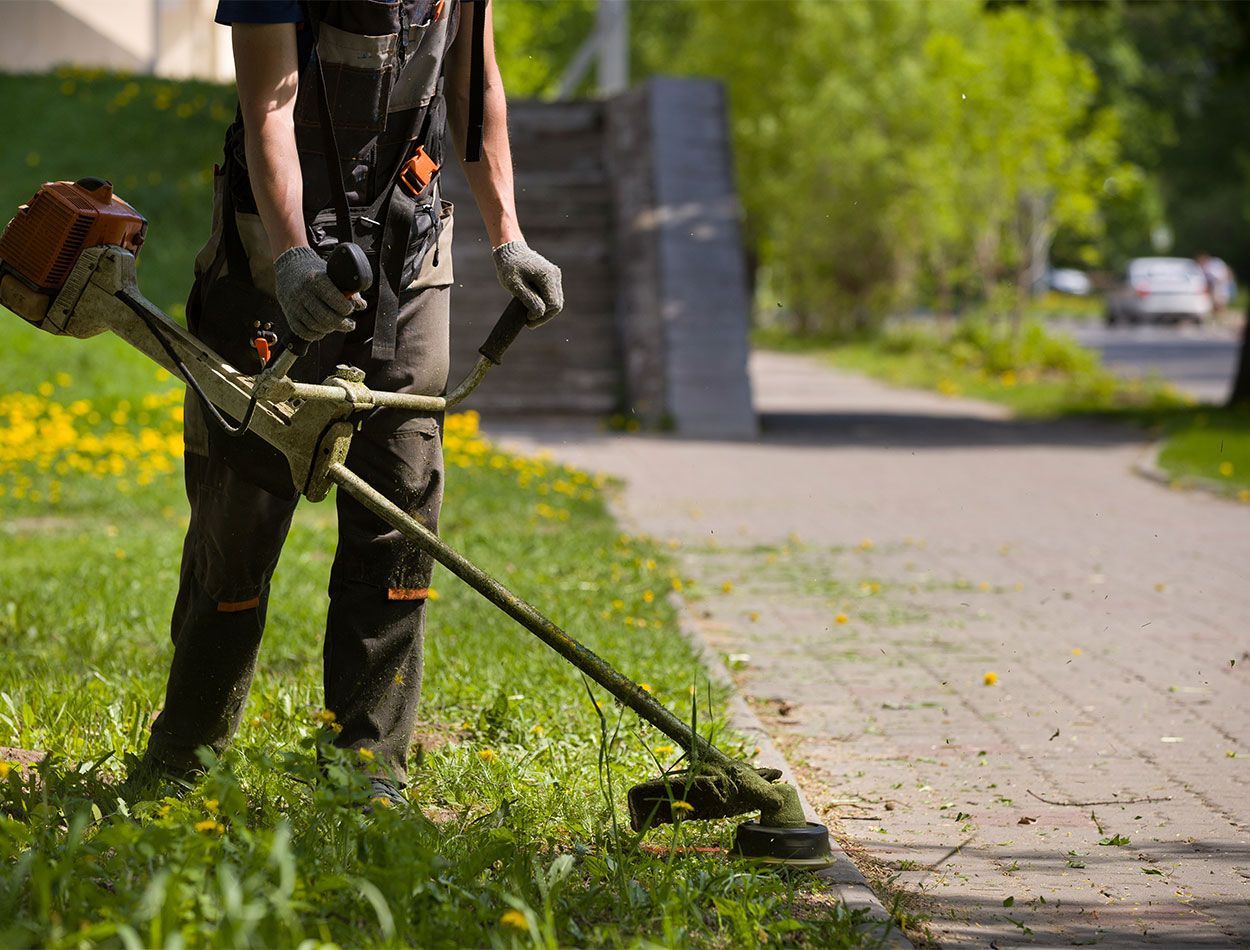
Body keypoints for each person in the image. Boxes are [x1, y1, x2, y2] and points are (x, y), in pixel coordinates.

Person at [135, 0, 563, 806]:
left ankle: (369, 770)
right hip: (273, 252)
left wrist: (509, 235)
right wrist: (294, 257)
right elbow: (268, 108)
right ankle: (184, 758)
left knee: (400, 507)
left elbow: (474, 89)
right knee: (240, 514)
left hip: (410, 250)